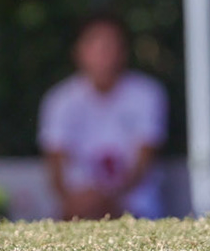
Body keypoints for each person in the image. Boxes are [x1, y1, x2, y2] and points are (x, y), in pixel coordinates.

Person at [38, 14, 167, 220]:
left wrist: (107, 198)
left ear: (123, 52)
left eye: (110, 46)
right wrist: (74, 201)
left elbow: (143, 162)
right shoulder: (59, 100)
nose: (103, 55)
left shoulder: (147, 94)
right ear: (78, 51)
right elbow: (55, 168)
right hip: (77, 207)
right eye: (95, 46)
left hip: (133, 205)